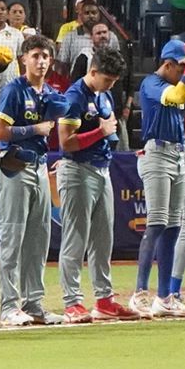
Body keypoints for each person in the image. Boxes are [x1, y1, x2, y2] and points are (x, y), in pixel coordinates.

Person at [56, 47, 134, 323]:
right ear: (93, 71)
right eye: (107, 79)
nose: (110, 84)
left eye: (114, 80)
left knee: (103, 239)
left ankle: (104, 299)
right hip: (78, 170)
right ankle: (72, 302)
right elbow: (65, 141)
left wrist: (105, 136)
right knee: (76, 238)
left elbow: (108, 129)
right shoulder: (74, 97)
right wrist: (99, 132)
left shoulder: (105, 94)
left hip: (102, 169)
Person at [127, 41, 185, 319]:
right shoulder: (151, 84)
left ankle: (165, 296)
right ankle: (139, 294)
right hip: (156, 153)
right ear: (168, 64)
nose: (184, 72)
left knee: (173, 227)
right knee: (156, 223)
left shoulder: (174, 85)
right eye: (180, 67)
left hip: (177, 154)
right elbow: (181, 95)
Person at [0, 35, 59, 326]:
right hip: (15, 167)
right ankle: (8, 305)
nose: (40, 61)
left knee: (39, 239)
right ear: (23, 59)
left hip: (40, 167)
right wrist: (34, 129)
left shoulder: (51, 93)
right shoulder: (14, 90)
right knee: (12, 238)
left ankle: (34, 304)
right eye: (35, 56)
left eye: (45, 56)